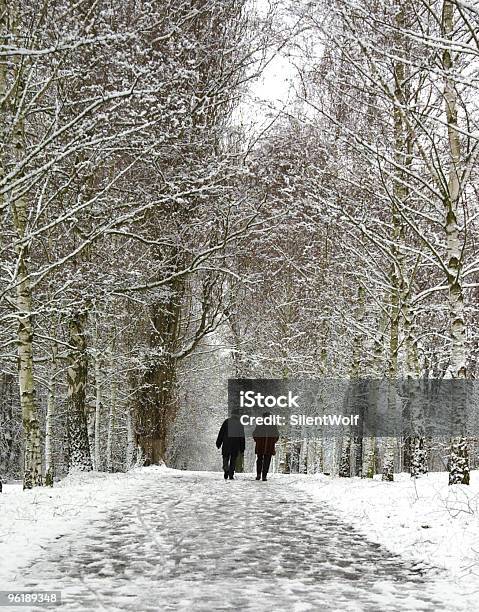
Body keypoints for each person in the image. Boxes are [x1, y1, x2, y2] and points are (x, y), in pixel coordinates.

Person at [216, 408, 245, 480]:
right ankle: (231, 474)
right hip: (235, 445)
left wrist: (218, 443)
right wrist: (242, 448)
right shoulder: (239, 424)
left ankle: (226, 469)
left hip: (226, 444)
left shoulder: (226, 422)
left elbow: (221, 433)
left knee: (225, 457)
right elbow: (242, 437)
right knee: (233, 460)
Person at [253, 412, 279, 481]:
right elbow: (277, 436)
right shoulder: (273, 425)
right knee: (267, 461)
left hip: (260, 446)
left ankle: (259, 474)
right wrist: (273, 442)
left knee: (259, 460)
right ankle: (264, 476)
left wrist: (258, 441)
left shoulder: (260, 424)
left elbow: (254, 434)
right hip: (269, 446)